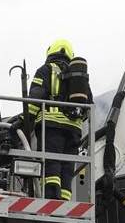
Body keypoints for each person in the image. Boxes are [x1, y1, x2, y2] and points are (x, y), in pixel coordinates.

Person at [27, 39, 89, 200]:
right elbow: (89, 106)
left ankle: (50, 198)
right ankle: (65, 200)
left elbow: (35, 97)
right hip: (74, 130)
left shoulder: (46, 70)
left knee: (52, 163)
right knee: (67, 167)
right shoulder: (79, 78)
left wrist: (26, 121)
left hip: (52, 126)